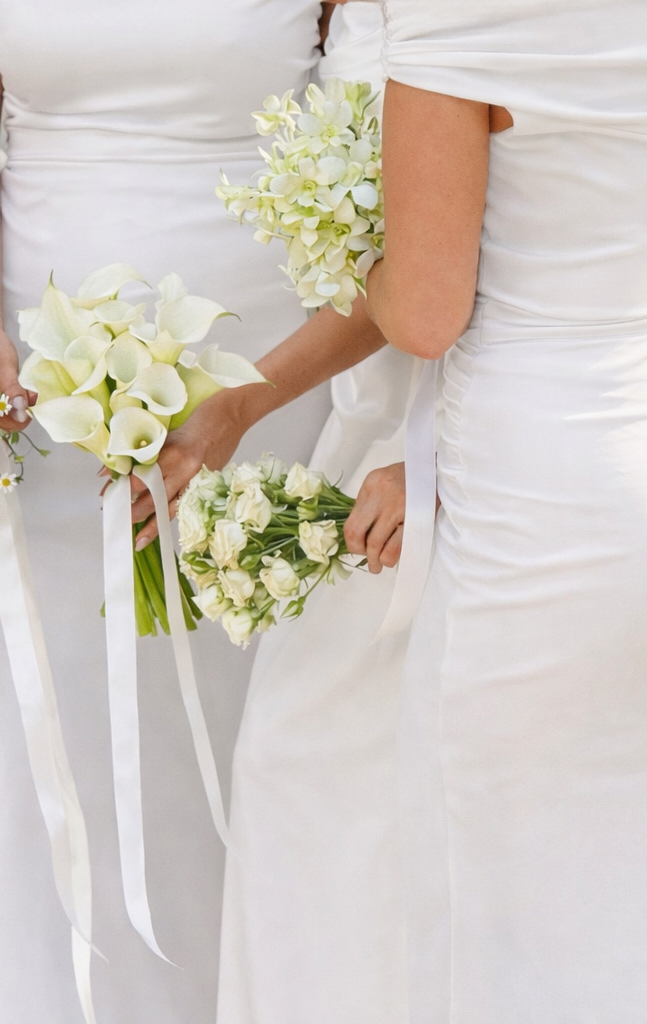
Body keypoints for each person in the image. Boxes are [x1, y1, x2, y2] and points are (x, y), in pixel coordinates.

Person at [0, 1, 397, 1020]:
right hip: (38, 382)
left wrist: (252, 397)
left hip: (257, 385)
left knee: (232, 742)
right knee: (42, 743)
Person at [363, 1, 647, 1020]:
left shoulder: (458, 14)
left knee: (511, 879)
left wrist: (362, 260)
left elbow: (428, 309)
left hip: (542, 474)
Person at [136, 6, 414, 1021]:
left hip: (460, 440)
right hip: (372, 422)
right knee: (312, 786)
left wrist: (434, 463)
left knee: (353, 782)